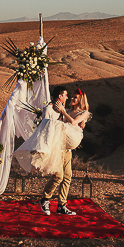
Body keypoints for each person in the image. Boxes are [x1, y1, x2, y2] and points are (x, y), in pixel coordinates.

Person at [38, 85, 89, 216]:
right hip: (58, 147)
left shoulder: (78, 112)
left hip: (67, 149)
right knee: (58, 176)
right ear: (60, 96)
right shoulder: (61, 110)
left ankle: (62, 205)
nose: (70, 98)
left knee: (67, 177)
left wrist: (66, 114)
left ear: (80, 100)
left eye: (74, 97)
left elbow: (74, 123)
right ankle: (45, 198)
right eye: (69, 96)